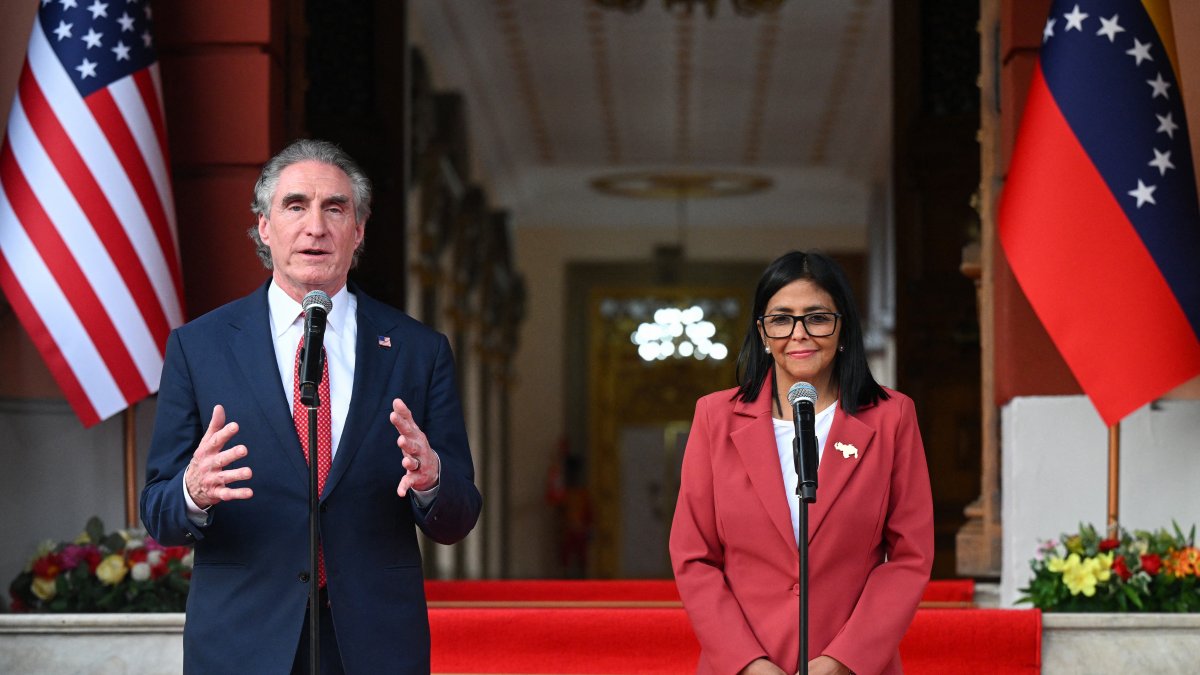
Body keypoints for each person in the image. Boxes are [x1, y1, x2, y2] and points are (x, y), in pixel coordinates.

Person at [140, 139, 482, 674]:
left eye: (335, 209)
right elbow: (158, 513)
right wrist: (191, 492)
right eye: (295, 206)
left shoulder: (418, 350)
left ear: (359, 231)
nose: (316, 227)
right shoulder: (199, 347)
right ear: (264, 227)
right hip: (242, 641)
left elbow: (459, 515)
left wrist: (434, 480)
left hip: (374, 644)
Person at [669, 251, 933, 675]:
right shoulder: (715, 418)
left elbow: (910, 556)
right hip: (742, 666)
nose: (799, 334)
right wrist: (749, 663)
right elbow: (693, 556)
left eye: (817, 317)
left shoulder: (891, 418)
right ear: (762, 332)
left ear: (842, 326)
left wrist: (842, 660)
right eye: (781, 319)